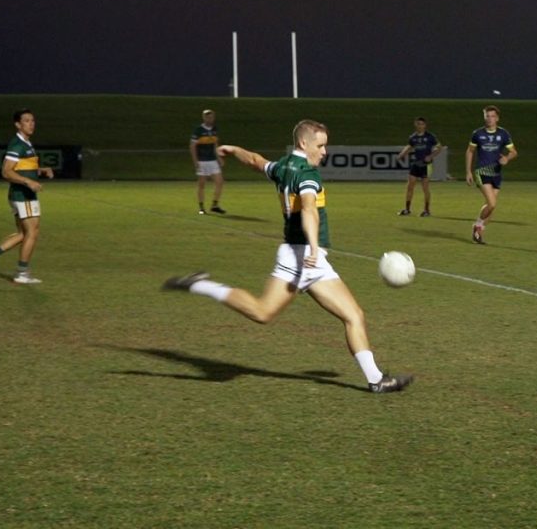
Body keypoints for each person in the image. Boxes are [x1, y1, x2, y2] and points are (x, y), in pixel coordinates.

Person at [163, 119, 413, 393]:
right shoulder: (307, 174)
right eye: (320, 145)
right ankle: (201, 285)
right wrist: (315, 246)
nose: (324, 151)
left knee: (353, 314)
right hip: (303, 256)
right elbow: (308, 209)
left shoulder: (283, 167)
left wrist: (234, 150)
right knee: (263, 313)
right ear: (303, 144)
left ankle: (376, 379)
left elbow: (257, 162)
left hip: (302, 256)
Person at [0, 109, 54, 284]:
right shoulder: (17, 145)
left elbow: (23, 167)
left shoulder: (26, 144)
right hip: (23, 195)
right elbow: (6, 172)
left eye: (33, 120)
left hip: (20, 195)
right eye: (27, 121)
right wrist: (28, 182)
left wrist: (41, 170)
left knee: (23, 233)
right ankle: (22, 273)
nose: (31, 123)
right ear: (18, 125)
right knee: (32, 232)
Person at [465, 105, 518, 244]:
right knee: (492, 204)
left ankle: (478, 230)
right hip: (481, 172)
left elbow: (514, 152)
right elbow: (470, 151)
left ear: (497, 118)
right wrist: (468, 171)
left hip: (496, 173)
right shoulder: (477, 134)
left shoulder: (503, 134)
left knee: (490, 208)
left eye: (492, 116)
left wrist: (507, 158)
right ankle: (477, 226)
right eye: (487, 116)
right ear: (484, 117)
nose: (490, 119)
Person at [397, 116, 442, 217]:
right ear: (415, 125)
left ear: (425, 125)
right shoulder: (413, 137)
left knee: (425, 188)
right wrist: (402, 154)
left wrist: (430, 156)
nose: (420, 126)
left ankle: (427, 210)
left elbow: (439, 148)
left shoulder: (430, 136)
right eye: (418, 124)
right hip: (416, 164)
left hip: (426, 165)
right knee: (410, 186)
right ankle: (407, 209)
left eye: (422, 124)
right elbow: (409, 146)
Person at [190, 109, 226, 215]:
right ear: (204, 118)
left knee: (220, 182)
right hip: (202, 161)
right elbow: (192, 146)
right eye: (207, 117)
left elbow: (215, 144)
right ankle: (201, 207)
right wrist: (195, 161)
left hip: (212, 160)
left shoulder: (214, 129)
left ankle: (215, 205)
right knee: (202, 184)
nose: (209, 119)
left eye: (211, 117)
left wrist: (219, 158)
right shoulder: (198, 130)